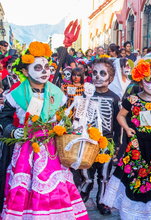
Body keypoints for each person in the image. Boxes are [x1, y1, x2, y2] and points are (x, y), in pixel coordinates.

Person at [0, 41, 88, 219]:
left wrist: (67, 126)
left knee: (57, 187)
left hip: (52, 149)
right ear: (25, 71)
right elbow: (4, 118)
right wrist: (12, 130)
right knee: (26, 187)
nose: (44, 71)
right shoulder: (16, 94)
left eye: (46, 67)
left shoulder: (57, 93)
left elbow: (66, 119)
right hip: (25, 148)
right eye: (38, 68)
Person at [101, 59, 151, 219]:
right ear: (140, 81)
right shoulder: (132, 100)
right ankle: (131, 209)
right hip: (137, 144)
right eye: (149, 79)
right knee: (135, 175)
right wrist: (127, 128)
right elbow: (120, 116)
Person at [79, 58, 120, 216]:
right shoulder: (86, 94)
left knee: (104, 175)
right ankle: (83, 196)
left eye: (102, 73)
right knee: (86, 173)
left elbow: (118, 125)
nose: (97, 76)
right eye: (94, 73)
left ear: (110, 78)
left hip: (106, 142)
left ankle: (102, 201)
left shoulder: (115, 99)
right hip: (87, 141)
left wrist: (116, 146)